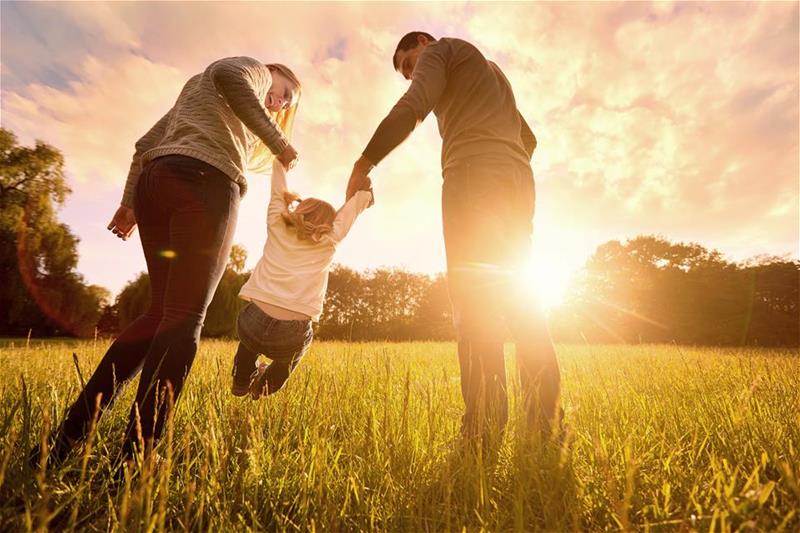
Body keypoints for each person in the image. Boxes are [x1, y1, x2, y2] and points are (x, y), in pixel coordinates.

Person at [32, 57, 302, 468]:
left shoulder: (198, 94)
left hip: (156, 184)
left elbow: (144, 145)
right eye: (284, 93)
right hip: (206, 183)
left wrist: (128, 203)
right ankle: (136, 458)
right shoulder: (251, 69)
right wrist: (279, 142)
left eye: (286, 105)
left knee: (159, 314)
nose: (280, 103)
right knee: (184, 318)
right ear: (272, 72)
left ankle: (63, 442)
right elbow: (231, 76)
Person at [346, 32, 561, 440]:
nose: (412, 74)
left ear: (423, 43)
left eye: (410, 64)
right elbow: (528, 138)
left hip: (472, 176)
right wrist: (503, 161)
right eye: (407, 71)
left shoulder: (441, 50)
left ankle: (482, 428)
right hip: (517, 180)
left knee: (475, 301)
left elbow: (414, 105)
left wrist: (365, 161)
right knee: (522, 300)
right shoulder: (491, 72)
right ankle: (545, 424)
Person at [230, 160, 373, 399]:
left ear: (299, 211)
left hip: (253, 320)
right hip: (292, 331)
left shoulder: (277, 223)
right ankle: (264, 388)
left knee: (248, 344)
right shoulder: (330, 239)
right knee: (291, 356)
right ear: (329, 224)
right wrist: (363, 192)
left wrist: (280, 163)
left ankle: (241, 380)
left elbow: (277, 191)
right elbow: (352, 211)